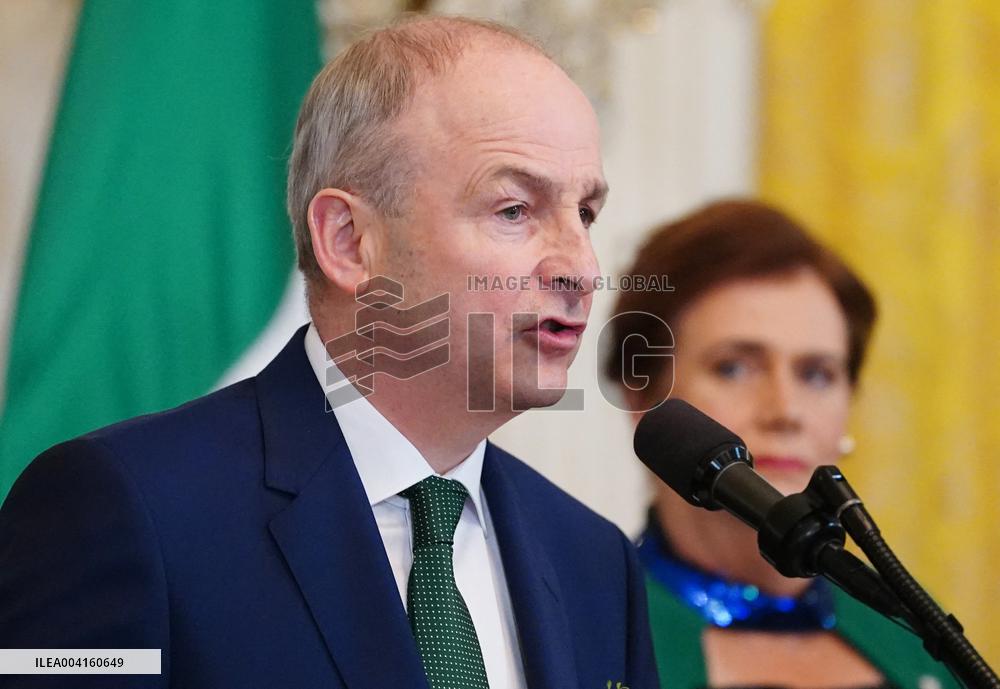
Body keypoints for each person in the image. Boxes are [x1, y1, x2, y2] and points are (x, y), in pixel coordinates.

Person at [0, 16, 658, 689]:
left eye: (586, 213)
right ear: (348, 241)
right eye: (514, 209)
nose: (581, 266)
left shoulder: (595, 562)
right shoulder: (125, 508)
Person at [606, 200, 958, 689]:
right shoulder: (584, 635)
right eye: (735, 367)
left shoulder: (922, 634)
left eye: (817, 374)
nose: (786, 410)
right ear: (645, 398)